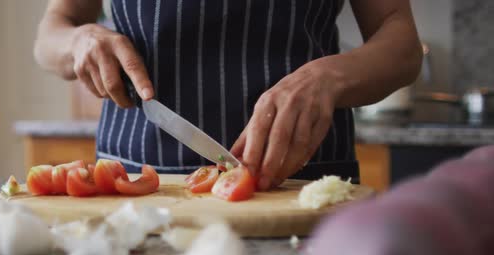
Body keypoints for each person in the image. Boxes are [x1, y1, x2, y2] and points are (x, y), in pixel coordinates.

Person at [34, 0, 422, 191]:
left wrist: (329, 76)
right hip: (133, 183)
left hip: (300, 182)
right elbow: (51, 33)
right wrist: (78, 41)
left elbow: (401, 43)